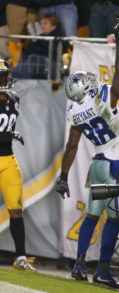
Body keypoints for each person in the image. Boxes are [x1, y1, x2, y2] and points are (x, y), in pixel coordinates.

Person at [56, 17, 119, 289]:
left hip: (97, 163)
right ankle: (102, 271)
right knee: (113, 219)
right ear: (86, 88)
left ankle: (78, 265)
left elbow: (72, 146)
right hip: (117, 162)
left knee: (91, 215)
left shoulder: (75, 110)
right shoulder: (103, 97)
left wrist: (64, 175)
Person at [0, 59, 36, 271]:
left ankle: (21, 258)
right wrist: (8, 134)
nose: (3, 80)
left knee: (16, 210)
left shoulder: (14, 98)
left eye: (4, 76)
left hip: (8, 160)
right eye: (0, 76)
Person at [13, 13, 66, 79]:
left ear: (53, 26)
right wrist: (33, 41)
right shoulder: (38, 36)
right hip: (38, 67)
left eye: (45, 23)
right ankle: (14, 81)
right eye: (40, 23)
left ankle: (17, 82)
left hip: (55, 67)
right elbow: (26, 54)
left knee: (34, 58)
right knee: (24, 61)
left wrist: (42, 37)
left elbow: (55, 52)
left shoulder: (59, 37)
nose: (41, 26)